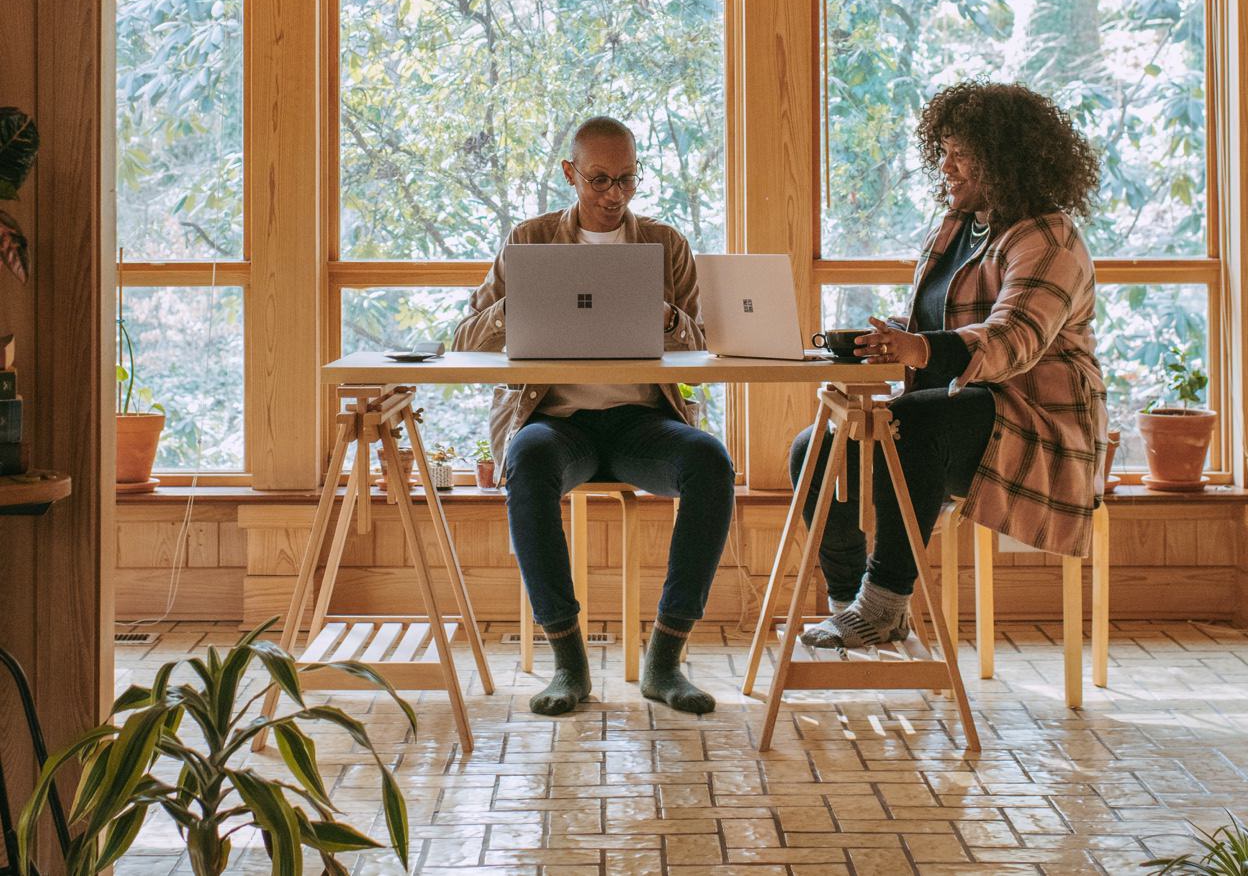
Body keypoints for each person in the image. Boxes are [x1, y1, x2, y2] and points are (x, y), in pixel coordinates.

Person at [790, 81, 1109, 649]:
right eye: (944, 148)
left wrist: (920, 350)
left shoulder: (1048, 237)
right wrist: (891, 341)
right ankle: (850, 602)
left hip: (1036, 424)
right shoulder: (959, 226)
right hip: (957, 415)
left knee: (913, 422)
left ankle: (885, 603)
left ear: (1004, 159)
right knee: (812, 450)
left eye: (961, 152)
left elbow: (1014, 339)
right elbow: (936, 327)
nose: (946, 164)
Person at [453, 116, 734, 715]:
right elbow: (464, 342)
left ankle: (665, 659)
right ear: (570, 174)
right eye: (600, 180)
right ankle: (568, 662)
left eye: (628, 180)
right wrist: (521, 301)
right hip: (557, 422)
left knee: (709, 459)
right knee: (526, 457)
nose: (615, 195)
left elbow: (702, 353)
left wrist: (666, 320)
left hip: (642, 420)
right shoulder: (528, 243)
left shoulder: (664, 245)